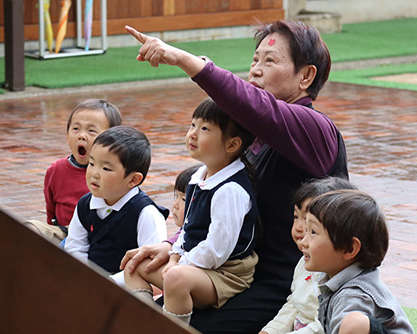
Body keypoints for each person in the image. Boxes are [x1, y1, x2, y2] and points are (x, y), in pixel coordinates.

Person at [121, 20, 349, 333]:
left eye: (270, 61)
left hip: (287, 283)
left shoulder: (316, 129)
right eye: (255, 60)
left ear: (306, 76)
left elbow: (257, 106)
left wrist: (187, 61)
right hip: (238, 270)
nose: (256, 70)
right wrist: (173, 246)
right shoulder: (254, 134)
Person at [124, 98, 258, 324]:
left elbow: (217, 249)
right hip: (194, 264)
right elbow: (188, 228)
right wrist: (175, 254)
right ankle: (145, 322)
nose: (193, 134)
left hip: (227, 273)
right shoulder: (200, 177)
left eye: (204, 128)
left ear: (232, 145)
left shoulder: (231, 189)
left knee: (176, 279)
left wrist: (180, 263)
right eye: (192, 125)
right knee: (134, 263)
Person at [301, 190, 414, 334]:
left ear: (350, 248)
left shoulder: (353, 296)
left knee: (354, 323)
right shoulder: (336, 279)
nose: (304, 241)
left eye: (313, 232)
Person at [65, 126, 169, 274]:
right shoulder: (85, 204)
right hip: (89, 281)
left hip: (127, 288)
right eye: (92, 163)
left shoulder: (146, 214)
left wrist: (109, 284)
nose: (94, 173)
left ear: (133, 179)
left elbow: (150, 267)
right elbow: (75, 247)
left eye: (106, 168)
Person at [259, 177, 357, 334]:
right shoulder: (306, 262)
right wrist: (270, 331)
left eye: (309, 222)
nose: (298, 227)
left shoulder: (344, 283)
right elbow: (294, 304)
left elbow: (323, 326)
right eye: (296, 216)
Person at [27, 99, 122, 244]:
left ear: (112, 140)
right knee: (30, 229)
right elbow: (51, 211)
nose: (81, 135)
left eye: (91, 130)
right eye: (76, 129)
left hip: (101, 235)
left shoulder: (116, 172)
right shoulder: (56, 170)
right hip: (66, 231)